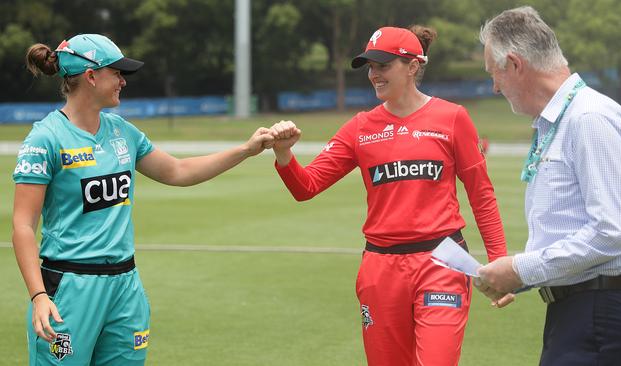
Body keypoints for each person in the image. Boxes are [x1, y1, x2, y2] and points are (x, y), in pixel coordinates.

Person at [12, 34, 274, 365]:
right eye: (117, 72)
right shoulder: (45, 138)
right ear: (91, 76)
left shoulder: (123, 132)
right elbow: (23, 225)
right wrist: (38, 295)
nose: (123, 80)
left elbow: (178, 171)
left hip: (124, 287)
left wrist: (246, 150)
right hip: (69, 288)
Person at [269, 26, 508, 366]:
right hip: (381, 269)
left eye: (383, 65)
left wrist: (499, 262)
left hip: (443, 260)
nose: (374, 74)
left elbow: (481, 195)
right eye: (370, 67)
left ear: (412, 66)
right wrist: (283, 155)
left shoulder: (452, 118)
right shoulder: (359, 127)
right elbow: (306, 187)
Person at [475, 6, 621, 365]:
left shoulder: (589, 119)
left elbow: (613, 232)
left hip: (599, 311)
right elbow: (571, 227)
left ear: (515, 64)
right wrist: (517, 277)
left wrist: (521, 269)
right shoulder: (564, 121)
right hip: (581, 310)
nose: (494, 86)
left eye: (494, 73)